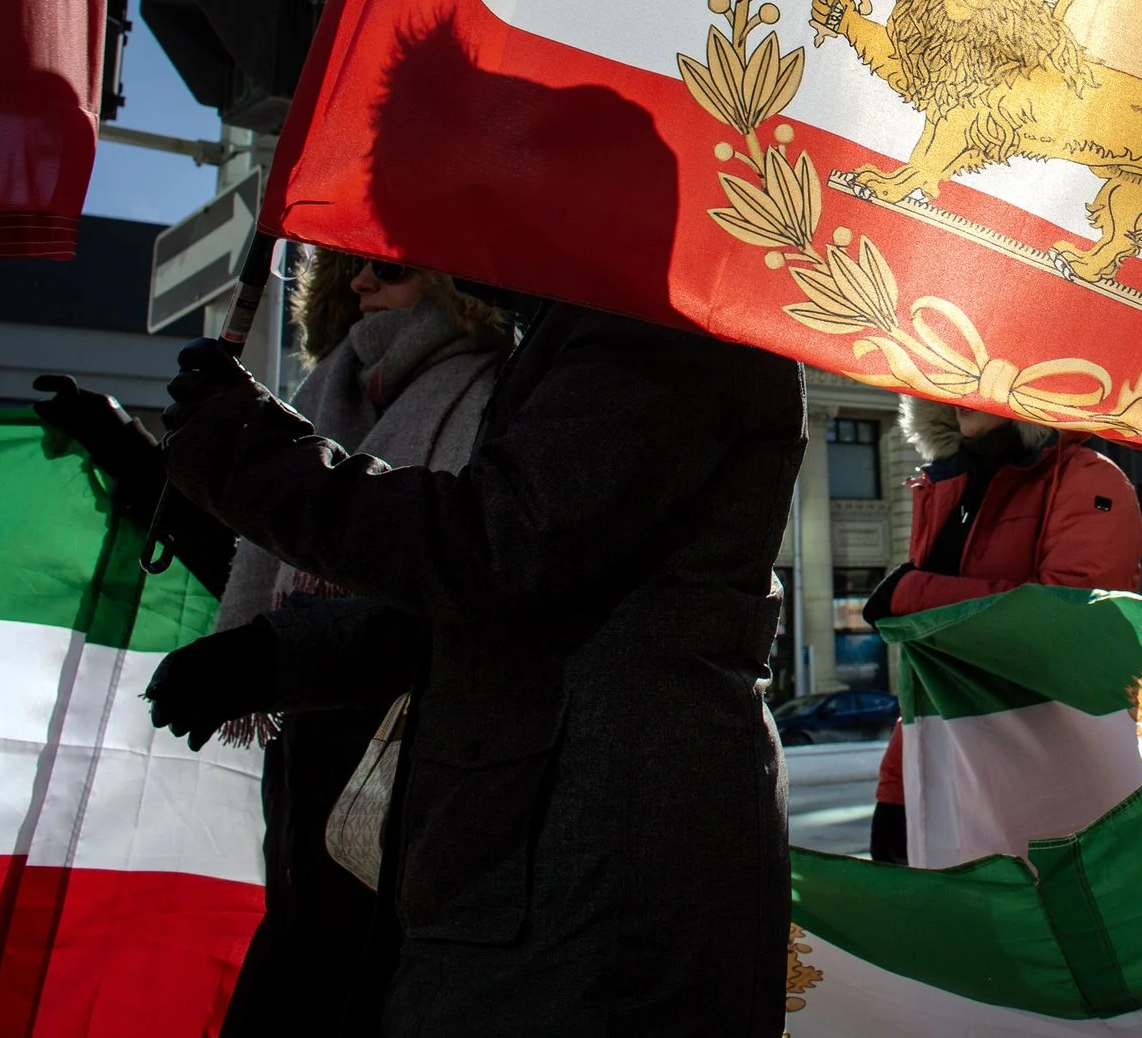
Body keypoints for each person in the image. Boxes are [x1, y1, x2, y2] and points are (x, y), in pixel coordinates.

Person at [151, 295, 806, 1036]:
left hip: (597, 879)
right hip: (533, 863)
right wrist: (281, 651)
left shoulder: (665, 323)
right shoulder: (597, 323)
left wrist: (249, 451)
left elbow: (503, 549)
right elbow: (503, 598)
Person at [145, 252, 513, 1036]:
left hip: (415, 760)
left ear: (454, 277)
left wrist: (277, 654)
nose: (360, 284)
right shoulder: (323, 393)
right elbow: (269, 554)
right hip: (302, 774)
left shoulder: (495, 391)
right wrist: (127, 451)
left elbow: (452, 578)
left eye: (387, 267)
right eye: (347, 270)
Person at [861, 396, 1142, 864]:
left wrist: (911, 596)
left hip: (1051, 781)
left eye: (976, 376)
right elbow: (934, 665)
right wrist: (897, 789)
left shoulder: (1087, 477)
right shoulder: (946, 485)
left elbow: (1071, 622)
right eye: (949, 374)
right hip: (948, 771)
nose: (957, 393)